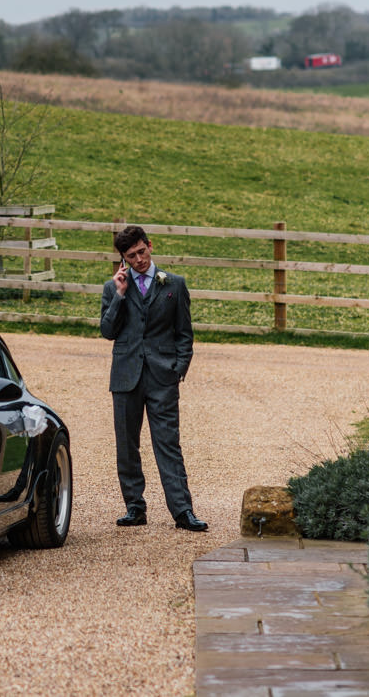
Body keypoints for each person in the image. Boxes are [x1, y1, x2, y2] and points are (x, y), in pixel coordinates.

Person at [99, 224, 207, 532]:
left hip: (163, 377)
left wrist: (178, 369)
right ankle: (135, 507)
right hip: (125, 377)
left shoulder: (174, 284)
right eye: (131, 256)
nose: (138, 260)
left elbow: (185, 334)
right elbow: (107, 332)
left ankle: (183, 511)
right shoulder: (113, 288)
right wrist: (119, 295)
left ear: (150, 245)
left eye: (141, 252)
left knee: (168, 444)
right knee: (127, 445)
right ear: (123, 258)